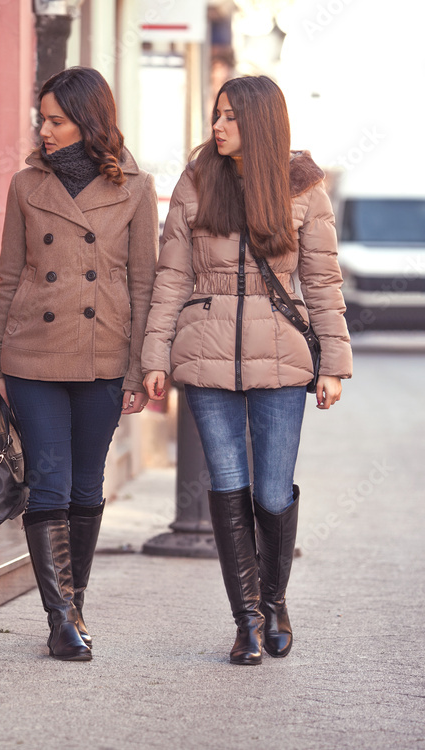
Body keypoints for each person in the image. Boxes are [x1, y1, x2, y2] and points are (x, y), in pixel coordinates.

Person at [141, 75, 353, 665]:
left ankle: (275, 600)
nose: (218, 125)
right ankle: (248, 622)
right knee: (228, 484)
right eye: (217, 114)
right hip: (206, 357)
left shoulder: (304, 188)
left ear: (260, 122)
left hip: (284, 360)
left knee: (272, 489)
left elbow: (322, 283)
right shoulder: (197, 180)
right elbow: (172, 278)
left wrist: (332, 365)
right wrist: (155, 356)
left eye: (231, 117)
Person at [0, 67, 158, 661]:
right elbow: (10, 279)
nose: (45, 129)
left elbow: (144, 284)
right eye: (43, 118)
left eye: (56, 119)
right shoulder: (25, 184)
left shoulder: (136, 187)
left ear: (88, 121)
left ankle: (75, 604)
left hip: (104, 356)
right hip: (32, 354)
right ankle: (60, 621)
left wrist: (138, 369)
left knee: (86, 487)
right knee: (49, 484)